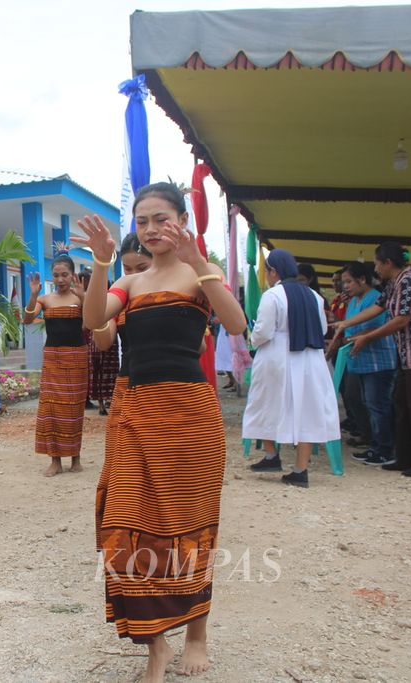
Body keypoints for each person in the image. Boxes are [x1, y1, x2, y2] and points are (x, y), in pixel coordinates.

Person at [76, 182, 247, 681]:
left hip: (188, 412)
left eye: (160, 219)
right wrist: (103, 262)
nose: (150, 229)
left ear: (181, 220)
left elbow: (235, 324)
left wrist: (201, 264)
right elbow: (93, 322)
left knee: (189, 523)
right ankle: (156, 643)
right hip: (133, 411)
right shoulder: (130, 282)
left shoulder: (200, 274)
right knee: (123, 523)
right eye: (142, 221)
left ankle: (196, 632)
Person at [333, 242, 411, 477]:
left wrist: (367, 337)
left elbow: (402, 319)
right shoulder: (395, 284)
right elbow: (377, 308)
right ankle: (404, 458)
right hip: (407, 356)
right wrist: (346, 323)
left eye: (377, 263)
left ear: (388, 263)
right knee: (400, 405)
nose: (375, 269)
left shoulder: (410, 282)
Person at [242, 250, 341, 486]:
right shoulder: (314, 296)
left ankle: (271, 454)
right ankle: (300, 469)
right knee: (306, 410)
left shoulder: (273, 295)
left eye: (267, 271)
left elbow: (264, 331)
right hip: (309, 359)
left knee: (265, 402)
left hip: (277, 357)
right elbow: (324, 329)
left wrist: (251, 340)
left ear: (274, 271)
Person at [93, 232, 151, 552]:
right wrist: (100, 309)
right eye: (127, 269)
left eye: (141, 267)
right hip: (127, 388)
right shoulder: (120, 298)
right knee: (122, 466)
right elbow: (103, 341)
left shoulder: (173, 293)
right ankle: (124, 537)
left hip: (164, 390)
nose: (133, 275)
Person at [23, 255, 88, 476]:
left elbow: (92, 321)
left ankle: (75, 457)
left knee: (73, 408)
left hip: (77, 357)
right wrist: (33, 295)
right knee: (51, 408)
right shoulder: (45, 298)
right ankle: (55, 460)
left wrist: (84, 298)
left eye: (65, 274)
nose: (60, 279)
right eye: (56, 275)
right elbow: (27, 319)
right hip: (52, 358)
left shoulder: (80, 298)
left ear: (72, 275)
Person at [336, 263, 397, 467]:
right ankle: (374, 444)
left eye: (349, 281)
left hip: (378, 361)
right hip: (359, 361)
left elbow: (377, 326)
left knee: (377, 404)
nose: (345, 286)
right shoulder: (354, 301)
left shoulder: (376, 298)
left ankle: (385, 449)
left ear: (362, 279)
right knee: (358, 400)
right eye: (344, 282)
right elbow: (348, 327)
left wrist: (351, 337)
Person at [80, 271, 120, 415]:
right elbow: (86, 325)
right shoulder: (90, 301)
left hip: (106, 343)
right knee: (99, 371)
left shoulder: (114, 300)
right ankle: (104, 402)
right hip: (96, 342)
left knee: (105, 371)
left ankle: (107, 401)